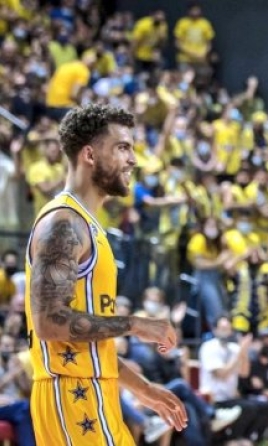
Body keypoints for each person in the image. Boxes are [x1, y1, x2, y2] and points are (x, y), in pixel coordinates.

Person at [24, 104, 187, 445]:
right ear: (89, 155)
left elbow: (88, 340)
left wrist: (143, 388)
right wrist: (135, 324)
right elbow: (49, 322)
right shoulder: (64, 222)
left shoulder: (87, 224)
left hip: (94, 390)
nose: (133, 160)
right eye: (122, 147)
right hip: (71, 396)